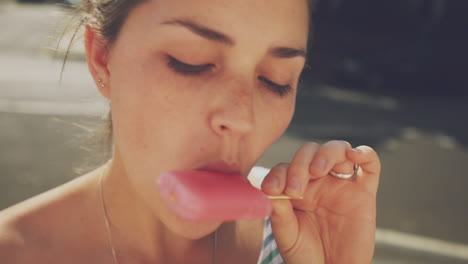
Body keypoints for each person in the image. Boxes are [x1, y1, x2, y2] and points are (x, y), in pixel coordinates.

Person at [0, 0, 381, 263]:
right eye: (190, 63)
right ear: (103, 59)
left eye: (275, 81)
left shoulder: (300, 235)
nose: (241, 118)